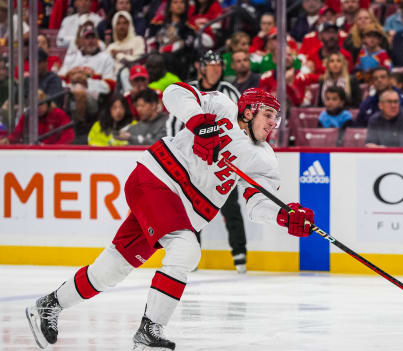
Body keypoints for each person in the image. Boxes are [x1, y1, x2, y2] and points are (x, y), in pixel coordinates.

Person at [25, 85, 315, 350]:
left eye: (276, 117)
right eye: (267, 114)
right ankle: (150, 330)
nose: (272, 123)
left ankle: (49, 304)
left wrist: (283, 216)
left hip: (176, 211)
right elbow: (174, 93)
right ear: (249, 110)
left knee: (111, 270)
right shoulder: (222, 107)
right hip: (155, 180)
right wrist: (198, 122)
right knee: (186, 249)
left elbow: (256, 204)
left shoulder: (264, 159)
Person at [187, 50, 249, 273]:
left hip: (223, 161)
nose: (215, 69)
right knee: (192, 209)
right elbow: (175, 123)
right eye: (210, 65)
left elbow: (243, 123)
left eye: (218, 65)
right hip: (195, 161)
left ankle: (239, 253)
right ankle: (190, 255)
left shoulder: (229, 91)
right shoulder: (190, 90)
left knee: (230, 206)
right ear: (202, 67)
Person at [58, 21, 116, 144]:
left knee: (79, 91)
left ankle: (80, 127)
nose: (90, 41)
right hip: (69, 95)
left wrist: (87, 82)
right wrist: (71, 82)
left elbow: (109, 86)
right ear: (81, 41)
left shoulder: (105, 58)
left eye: (93, 37)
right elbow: (60, 81)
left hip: (94, 98)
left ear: (97, 40)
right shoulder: (72, 58)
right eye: (87, 38)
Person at [0, 90, 75, 145]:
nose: (38, 108)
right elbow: (17, 133)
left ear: (47, 104)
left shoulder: (58, 114)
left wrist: (54, 149)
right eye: (34, 105)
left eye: (41, 104)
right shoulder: (27, 116)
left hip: (54, 154)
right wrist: (8, 140)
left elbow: (68, 136)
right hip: (33, 152)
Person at [106, 10, 146, 75]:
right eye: (118, 23)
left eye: (125, 23)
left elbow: (138, 61)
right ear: (114, 27)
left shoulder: (138, 40)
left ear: (130, 25)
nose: (121, 26)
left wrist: (118, 55)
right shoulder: (111, 47)